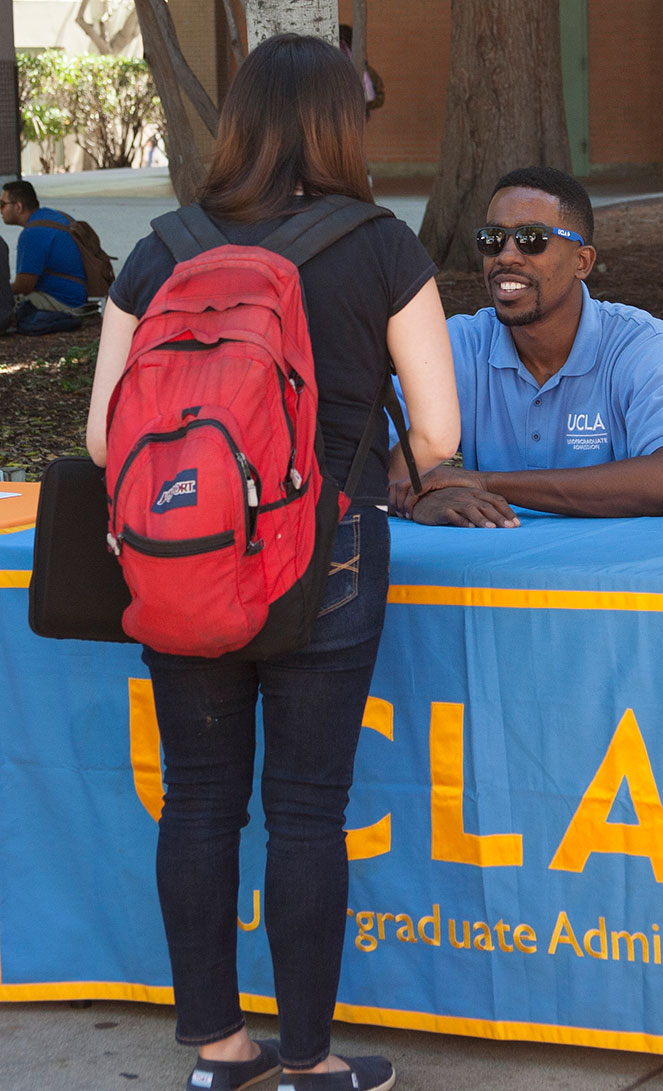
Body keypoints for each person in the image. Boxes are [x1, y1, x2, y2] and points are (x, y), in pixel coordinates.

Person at [85, 33, 459, 1091]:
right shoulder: (381, 245)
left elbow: (108, 441)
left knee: (199, 801)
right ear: (342, 124)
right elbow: (435, 436)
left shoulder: (162, 248)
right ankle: (310, 1058)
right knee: (307, 808)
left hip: (181, 555)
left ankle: (215, 1051)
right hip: (324, 554)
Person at [390, 166, 663, 528]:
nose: (506, 256)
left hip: (620, 574)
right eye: (492, 239)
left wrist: (487, 483)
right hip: (492, 575)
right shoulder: (458, 345)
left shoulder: (646, 347)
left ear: (582, 261)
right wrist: (415, 501)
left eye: (532, 239)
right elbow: (365, 464)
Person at [1, 180, 88, 328]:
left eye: (2, 205)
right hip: (80, 296)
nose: (0, 210)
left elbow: (24, 286)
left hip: (63, 302)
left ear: (19, 207)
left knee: (5, 303)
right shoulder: (56, 217)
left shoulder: (32, 234)